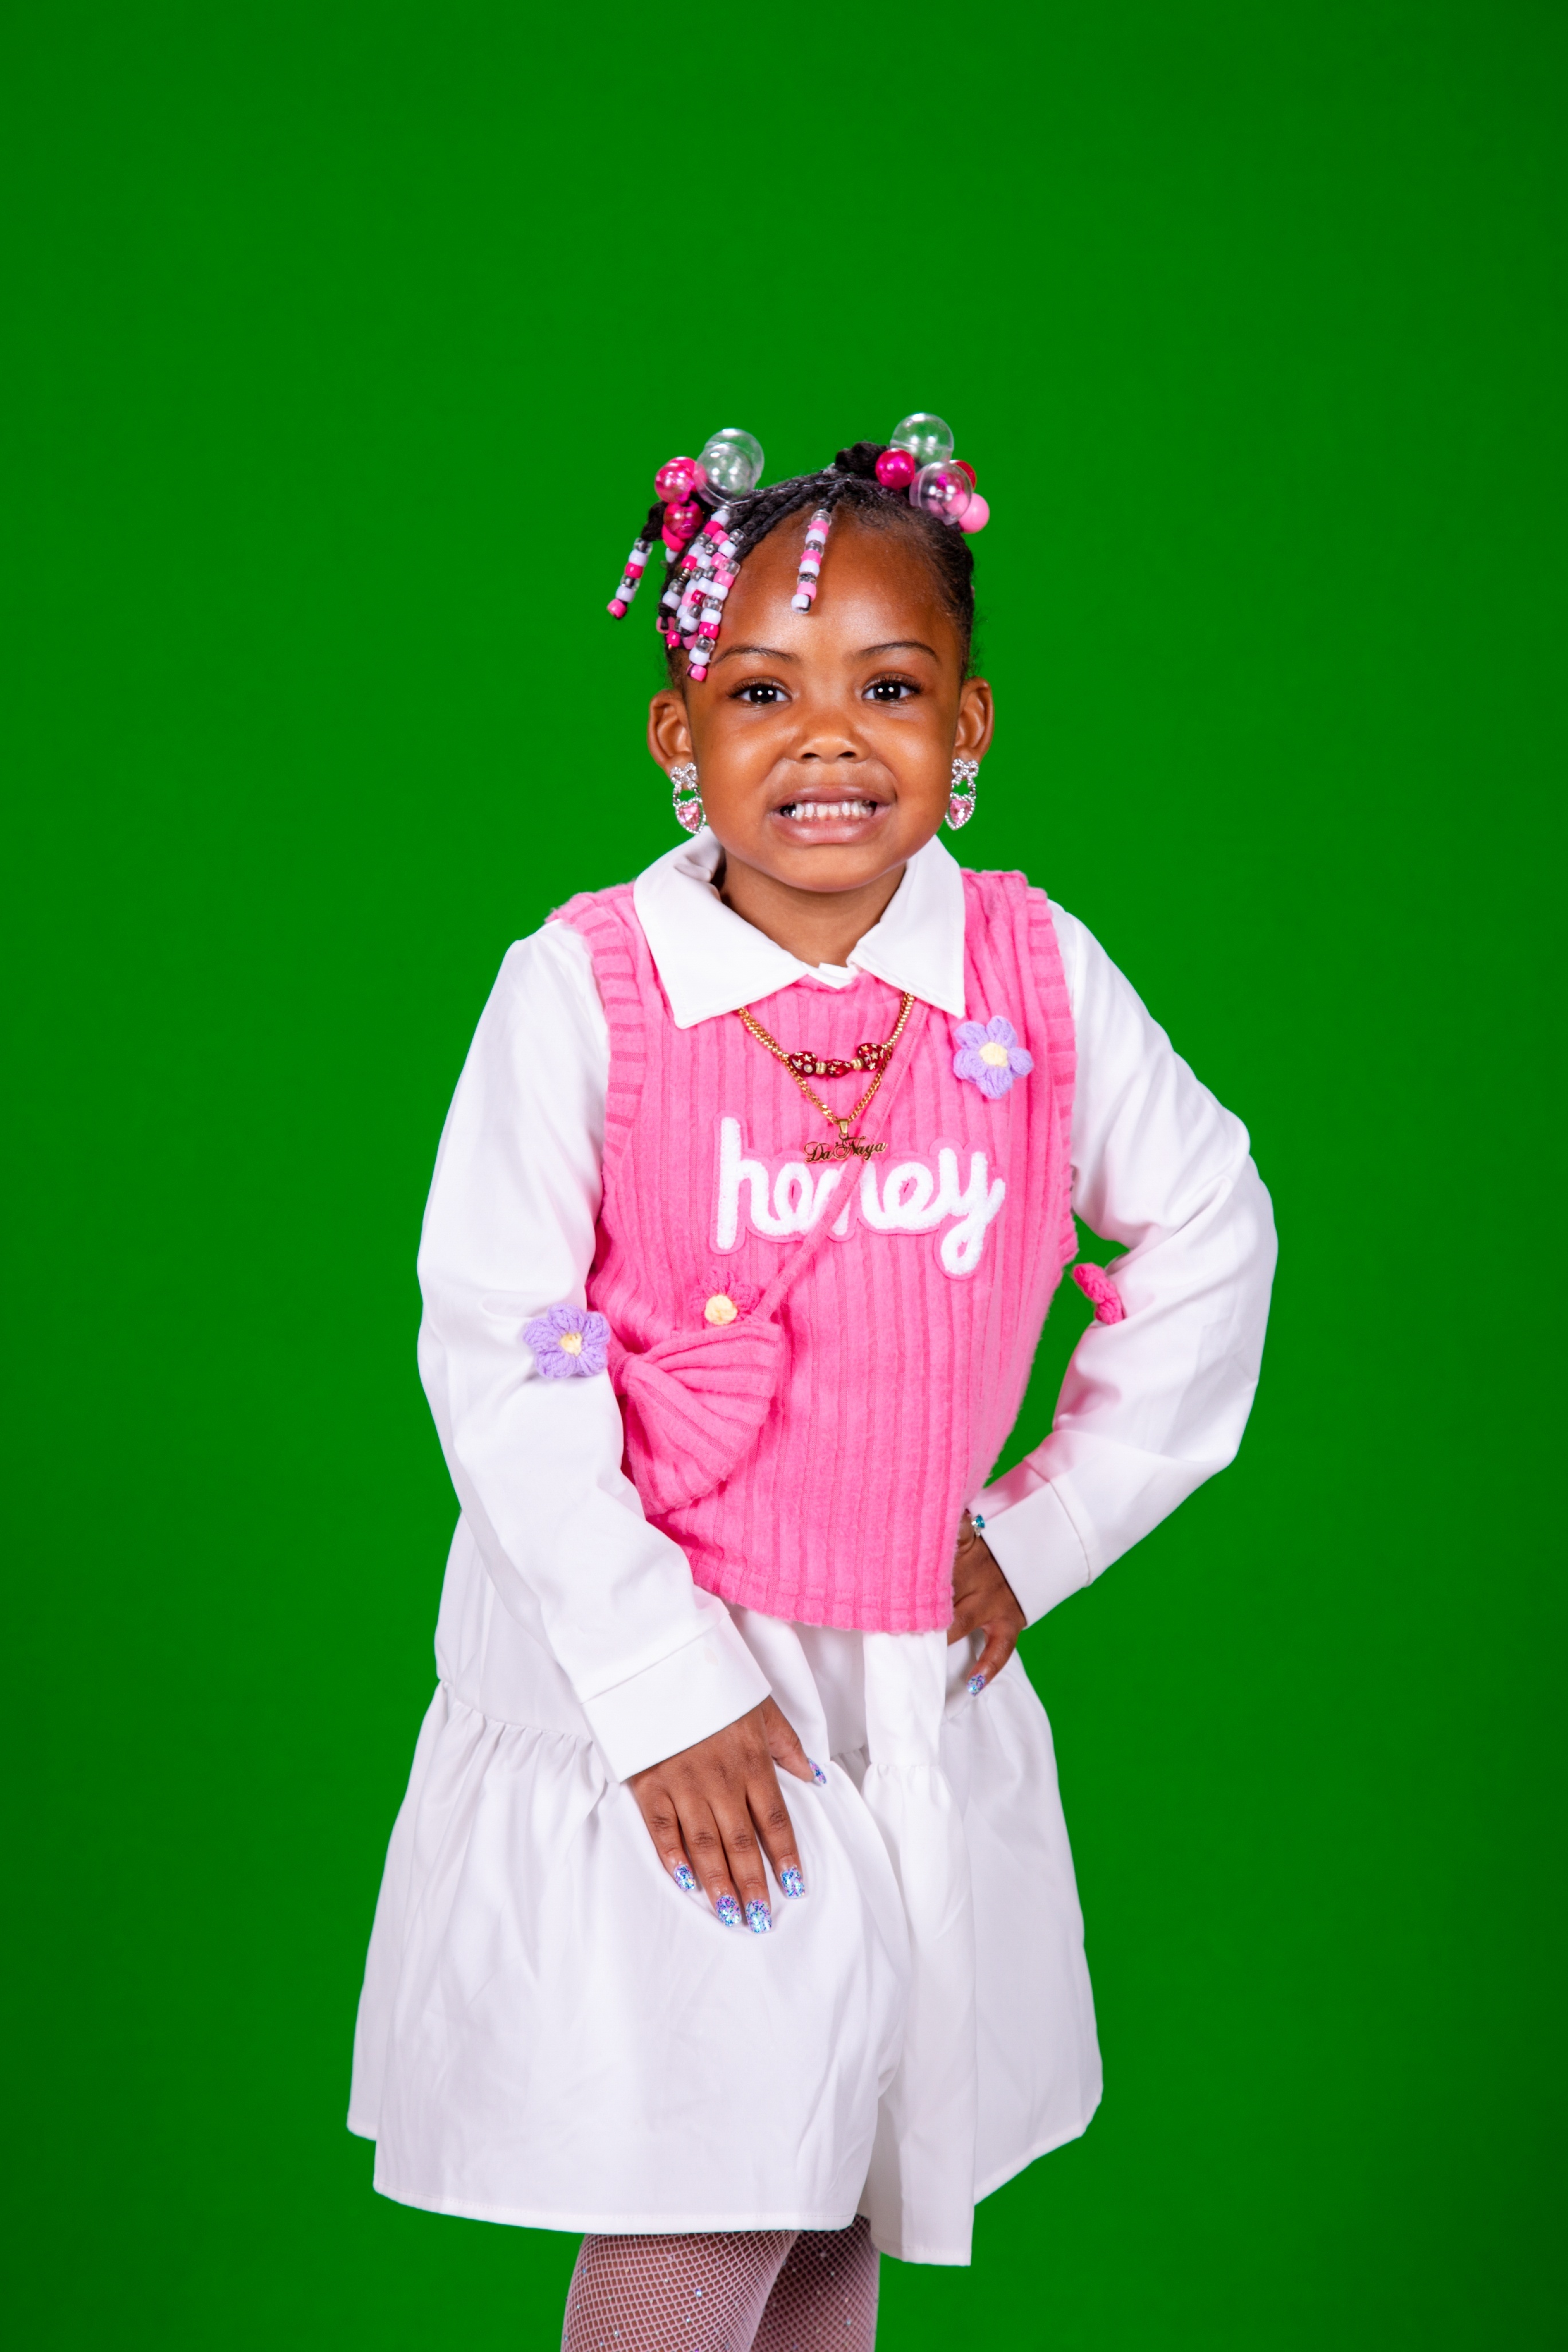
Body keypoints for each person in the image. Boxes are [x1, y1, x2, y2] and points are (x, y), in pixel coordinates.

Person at [348, 418, 1277, 2351]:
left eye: (891, 689)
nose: (830, 739)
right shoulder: (584, 991)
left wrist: (1045, 1532)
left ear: (971, 725)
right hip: (669, 1693)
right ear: (679, 735)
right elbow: (495, 1348)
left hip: (899, 1689)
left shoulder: (1032, 974)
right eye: (764, 691)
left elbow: (1212, 1227)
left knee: (841, 2174)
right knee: (713, 2181)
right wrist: (661, 1689)